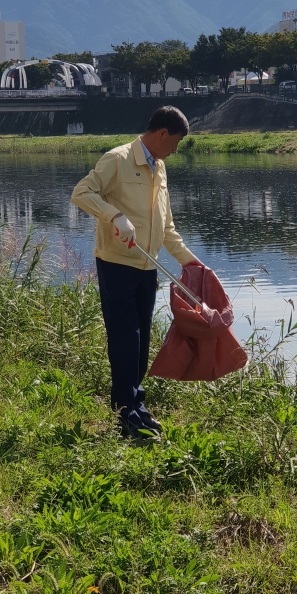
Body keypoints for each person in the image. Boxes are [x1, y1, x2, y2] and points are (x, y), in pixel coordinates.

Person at [71, 105, 196, 439]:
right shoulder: (117, 159)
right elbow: (81, 193)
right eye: (175, 142)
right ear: (161, 134)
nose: (175, 149)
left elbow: (166, 226)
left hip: (147, 267)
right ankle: (126, 415)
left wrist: (190, 261)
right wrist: (114, 216)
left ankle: (136, 406)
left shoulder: (160, 167)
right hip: (117, 265)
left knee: (141, 341)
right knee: (126, 339)